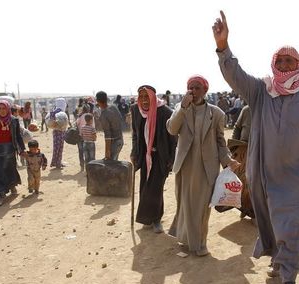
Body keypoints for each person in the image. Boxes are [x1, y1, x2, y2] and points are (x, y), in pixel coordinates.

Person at [213, 11, 299, 284]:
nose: (283, 65)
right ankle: (279, 260)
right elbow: (235, 76)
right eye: (278, 61)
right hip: (263, 175)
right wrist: (223, 46)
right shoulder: (261, 92)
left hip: (295, 177)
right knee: (269, 222)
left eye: (289, 61)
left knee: (290, 225)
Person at [167, 75, 240, 256]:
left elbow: (220, 142)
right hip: (185, 166)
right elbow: (171, 129)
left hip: (207, 168)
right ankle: (185, 240)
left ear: (205, 90)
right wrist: (182, 108)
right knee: (185, 204)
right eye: (190, 87)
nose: (193, 91)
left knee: (201, 207)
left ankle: (200, 244)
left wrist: (228, 160)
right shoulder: (180, 109)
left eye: (197, 87)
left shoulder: (216, 114)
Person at [131, 85, 177, 233]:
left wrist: (171, 159)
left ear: (153, 97)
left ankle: (156, 219)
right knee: (144, 186)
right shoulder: (136, 111)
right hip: (144, 157)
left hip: (161, 157)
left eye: (147, 97)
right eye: (141, 97)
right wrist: (134, 152)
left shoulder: (165, 112)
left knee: (155, 188)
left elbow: (173, 139)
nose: (144, 100)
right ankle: (147, 218)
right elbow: (135, 134)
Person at [96, 91, 124, 160]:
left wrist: (107, 153)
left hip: (114, 143)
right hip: (120, 140)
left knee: (111, 167)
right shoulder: (113, 107)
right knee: (115, 163)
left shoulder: (104, 115)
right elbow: (120, 119)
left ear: (97, 101)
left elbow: (108, 136)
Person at [49, 98, 69, 169]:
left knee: (57, 147)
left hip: (56, 131)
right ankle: (57, 163)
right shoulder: (60, 112)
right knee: (59, 147)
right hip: (60, 132)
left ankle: (57, 162)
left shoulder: (54, 111)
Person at [75, 104, 93, 171]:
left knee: (81, 152)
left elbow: (76, 125)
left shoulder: (80, 116)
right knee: (88, 153)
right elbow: (93, 127)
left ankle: (82, 167)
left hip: (80, 137)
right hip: (88, 137)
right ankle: (88, 167)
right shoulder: (90, 116)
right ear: (88, 109)